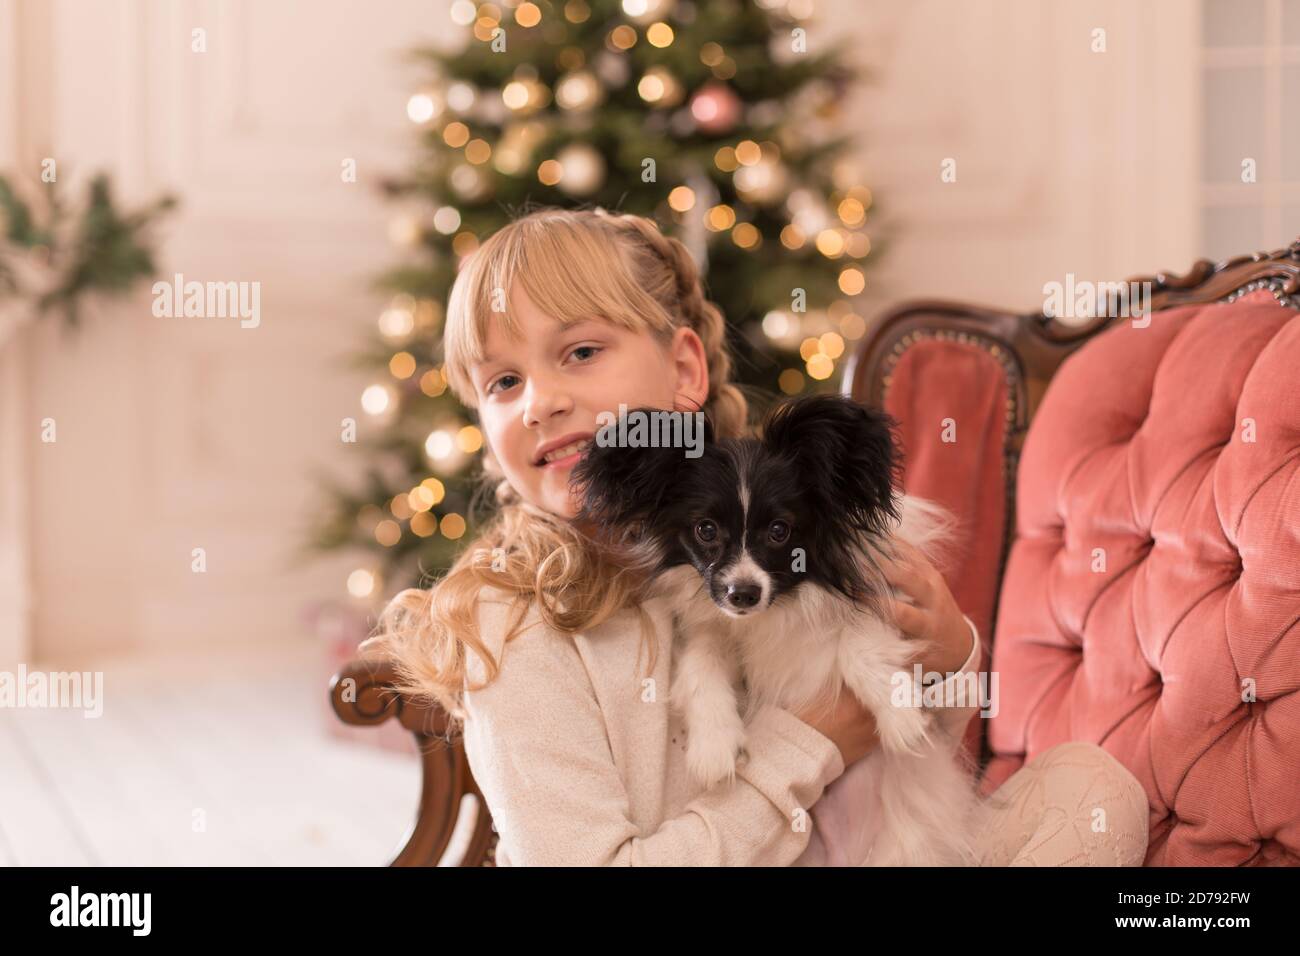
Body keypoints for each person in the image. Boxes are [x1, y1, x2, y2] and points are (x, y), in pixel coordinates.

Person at [363, 206, 1149, 866]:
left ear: (684, 370)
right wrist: (811, 742)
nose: (540, 402)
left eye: (581, 352)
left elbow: (901, 754)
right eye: (503, 382)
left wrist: (946, 661)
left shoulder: (786, 530)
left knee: (1091, 790)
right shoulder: (518, 625)